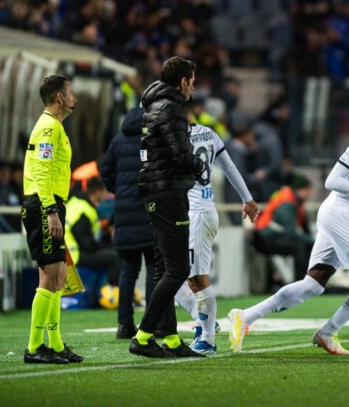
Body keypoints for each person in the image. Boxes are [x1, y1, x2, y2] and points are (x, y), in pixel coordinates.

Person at [228, 110, 349, 355]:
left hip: (344, 216)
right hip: (339, 210)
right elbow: (332, 181)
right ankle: (327, 332)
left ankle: (245, 316)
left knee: (312, 285)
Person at [130, 56, 206, 359]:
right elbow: (180, 154)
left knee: (164, 267)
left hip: (155, 191)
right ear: (183, 81)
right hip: (168, 192)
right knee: (178, 269)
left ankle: (172, 340)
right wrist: (198, 163)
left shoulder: (152, 106)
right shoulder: (172, 108)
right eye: (193, 81)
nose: (193, 87)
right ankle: (143, 336)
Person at [173, 107, 260, 355]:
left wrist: (248, 199)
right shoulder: (208, 133)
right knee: (171, 274)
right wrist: (248, 198)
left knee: (197, 279)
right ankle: (203, 323)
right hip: (198, 211)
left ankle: (208, 338)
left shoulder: (178, 139)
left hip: (197, 213)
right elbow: (230, 167)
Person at [20, 74, 82, 364]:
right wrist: (50, 211)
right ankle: (34, 348)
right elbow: (42, 173)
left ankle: (55, 345)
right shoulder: (48, 129)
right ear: (59, 98)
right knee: (48, 277)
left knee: (57, 277)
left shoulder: (54, 127)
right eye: (70, 94)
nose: (75, 98)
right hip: (43, 204)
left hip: (50, 203)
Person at [100, 104, 155, 339]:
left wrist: (119, 190)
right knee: (155, 268)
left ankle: (124, 324)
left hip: (123, 215)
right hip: (150, 212)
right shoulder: (152, 137)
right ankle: (152, 323)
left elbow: (105, 170)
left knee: (129, 269)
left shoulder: (118, 140)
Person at [251, 173, 314, 283]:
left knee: (305, 245)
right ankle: (301, 282)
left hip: (272, 236)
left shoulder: (295, 201)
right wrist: (313, 240)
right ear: (301, 189)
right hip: (262, 238)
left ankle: (309, 280)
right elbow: (292, 234)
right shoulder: (288, 203)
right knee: (299, 247)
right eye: (308, 190)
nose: (309, 193)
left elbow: (304, 229)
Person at [64, 176, 121, 294]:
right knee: (114, 257)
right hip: (74, 255)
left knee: (114, 251)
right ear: (97, 192)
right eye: (104, 191)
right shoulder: (83, 209)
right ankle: (114, 295)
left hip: (76, 251)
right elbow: (87, 243)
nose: (106, 195)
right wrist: (104, 245)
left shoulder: (79, 203)